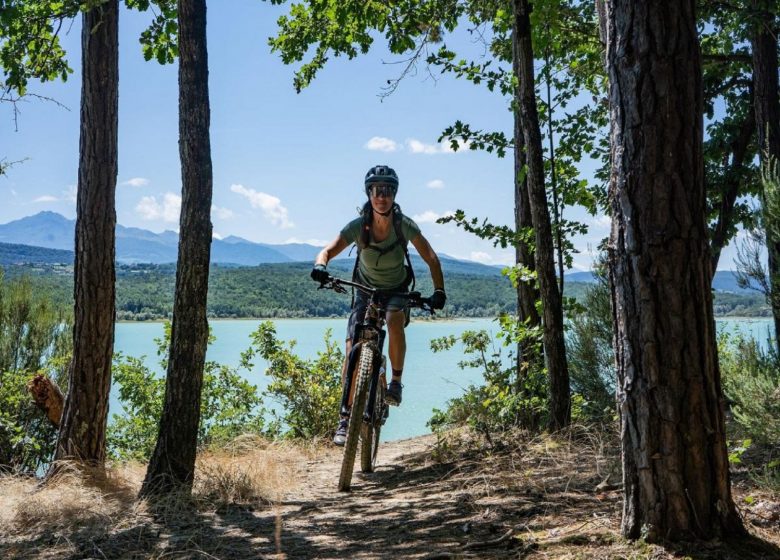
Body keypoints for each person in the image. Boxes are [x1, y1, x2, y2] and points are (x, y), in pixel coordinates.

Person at [310, 165, 446, 445]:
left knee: (395, 320)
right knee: (352, 352)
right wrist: (320, 265)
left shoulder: (404, 225)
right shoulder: (359, 226)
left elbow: (432, 258)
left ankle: (395, 382)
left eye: (386, 191)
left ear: (394, 194)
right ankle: (345, 419)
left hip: (396, 289)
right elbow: (327, 250)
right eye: (376, 191)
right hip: (364, 290)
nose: (381, 196)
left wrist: (439, 291)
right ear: (369, 194)